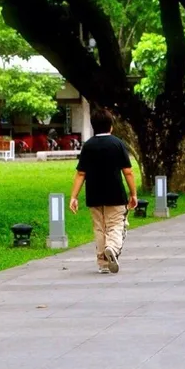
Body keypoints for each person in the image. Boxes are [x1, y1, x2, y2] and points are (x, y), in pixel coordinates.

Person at [68, 110, 138, 274]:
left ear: (93, 127)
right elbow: (128, 171)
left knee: (99, 228)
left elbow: (81, 173)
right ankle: (112, 248)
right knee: (115, 225)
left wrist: (73, 196)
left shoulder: (88, 145)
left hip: (94, 195)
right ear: (111, 126)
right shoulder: (118, 144)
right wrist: (133, 193)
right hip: (115, 194)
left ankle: (103, 263)